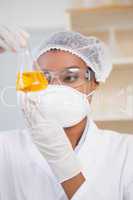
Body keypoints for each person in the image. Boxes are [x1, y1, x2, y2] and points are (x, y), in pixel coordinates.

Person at [0, 26, 133, 200]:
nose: (55, 88)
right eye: (45, 78)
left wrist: (64, 165)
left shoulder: (126, 151)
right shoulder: (5, 147)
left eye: (70, 77)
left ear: (95, 81)